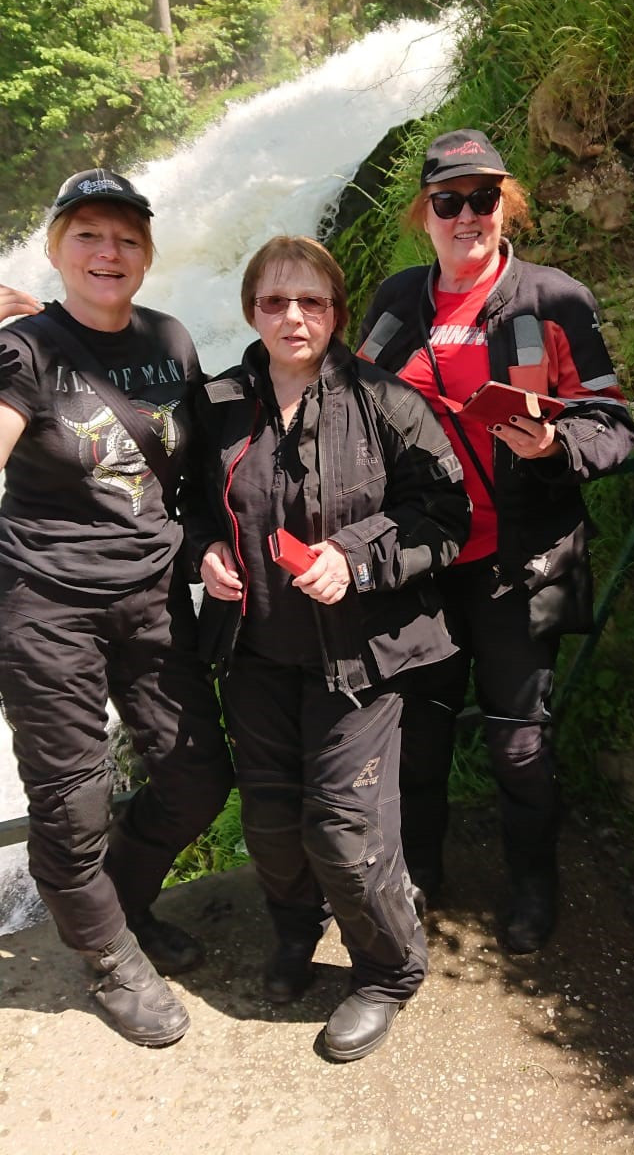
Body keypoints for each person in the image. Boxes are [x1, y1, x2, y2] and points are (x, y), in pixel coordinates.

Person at [185, 235, 470, 1062]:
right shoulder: (217, 402)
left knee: (344, 830)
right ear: (251, 311)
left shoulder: (387, 401)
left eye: (311, 300)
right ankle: (294, 931)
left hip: (360, 657)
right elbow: (189, 504)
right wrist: (205, 550)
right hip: (255, 654)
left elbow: (444, 517)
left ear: (338, 310)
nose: (293, 316)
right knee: (272, 823)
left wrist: (356, 560)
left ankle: (387, 971)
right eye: (273, 301)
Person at [357, 128, 634, 953]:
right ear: (425, 214)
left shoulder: (555, 301)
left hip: (519, 564)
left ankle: (532, 886)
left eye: (483, 198)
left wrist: (556, 445)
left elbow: (612, 421)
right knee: (420, 737)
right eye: (448, 201)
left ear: (505, 204)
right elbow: (351, 402)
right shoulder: (397, 301)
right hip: (423, 563)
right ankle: (421, 877)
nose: (466, 215)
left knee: (519, 743)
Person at [0, 169, 233, 1047]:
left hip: (153, 592)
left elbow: (204, 465)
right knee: (73, 801)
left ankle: (124, 907)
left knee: (197, 775)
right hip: (45, 604)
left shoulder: (170, 340)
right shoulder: (23, 350)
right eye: (88, 234)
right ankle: (105, 957)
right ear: (56, 248)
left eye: (127, 237)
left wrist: (211, 545)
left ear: (147, 253)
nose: (109, 251)